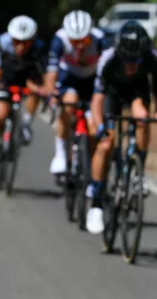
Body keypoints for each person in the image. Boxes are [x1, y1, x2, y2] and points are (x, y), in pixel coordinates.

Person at [87, 21, 157, 234]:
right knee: (106, 144)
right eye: (127, 60)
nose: (132, 65)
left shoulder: (154, 60)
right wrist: (100, 128)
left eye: (137, 60)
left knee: (143, 117)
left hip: (137, 91)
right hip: (112, 95)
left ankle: (138, 173)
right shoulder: (107, 59)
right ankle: (96, 204)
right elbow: (97, 102)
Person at [0, 15, 47, 176]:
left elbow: (42, 74)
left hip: (28, 77)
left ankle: (26, 124)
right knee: (1, 113)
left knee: (35, 92)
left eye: (25, 42)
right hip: (7, 78)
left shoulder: (39, 47)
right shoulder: (3, 42)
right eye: (16, 41)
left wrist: (43, 89)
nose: (21, 46)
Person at [44, 10, 105, 175]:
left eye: (84, 40)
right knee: (68, 104)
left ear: (90, 34)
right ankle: (61, 153)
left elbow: (107, 70)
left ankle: (92, 170)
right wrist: (52, 94)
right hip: (69, 78)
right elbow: (51, 71)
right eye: (74, 41)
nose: (79, 45)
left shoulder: (100, 39)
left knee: (93, 130)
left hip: (92, 81)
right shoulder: (60, 39)